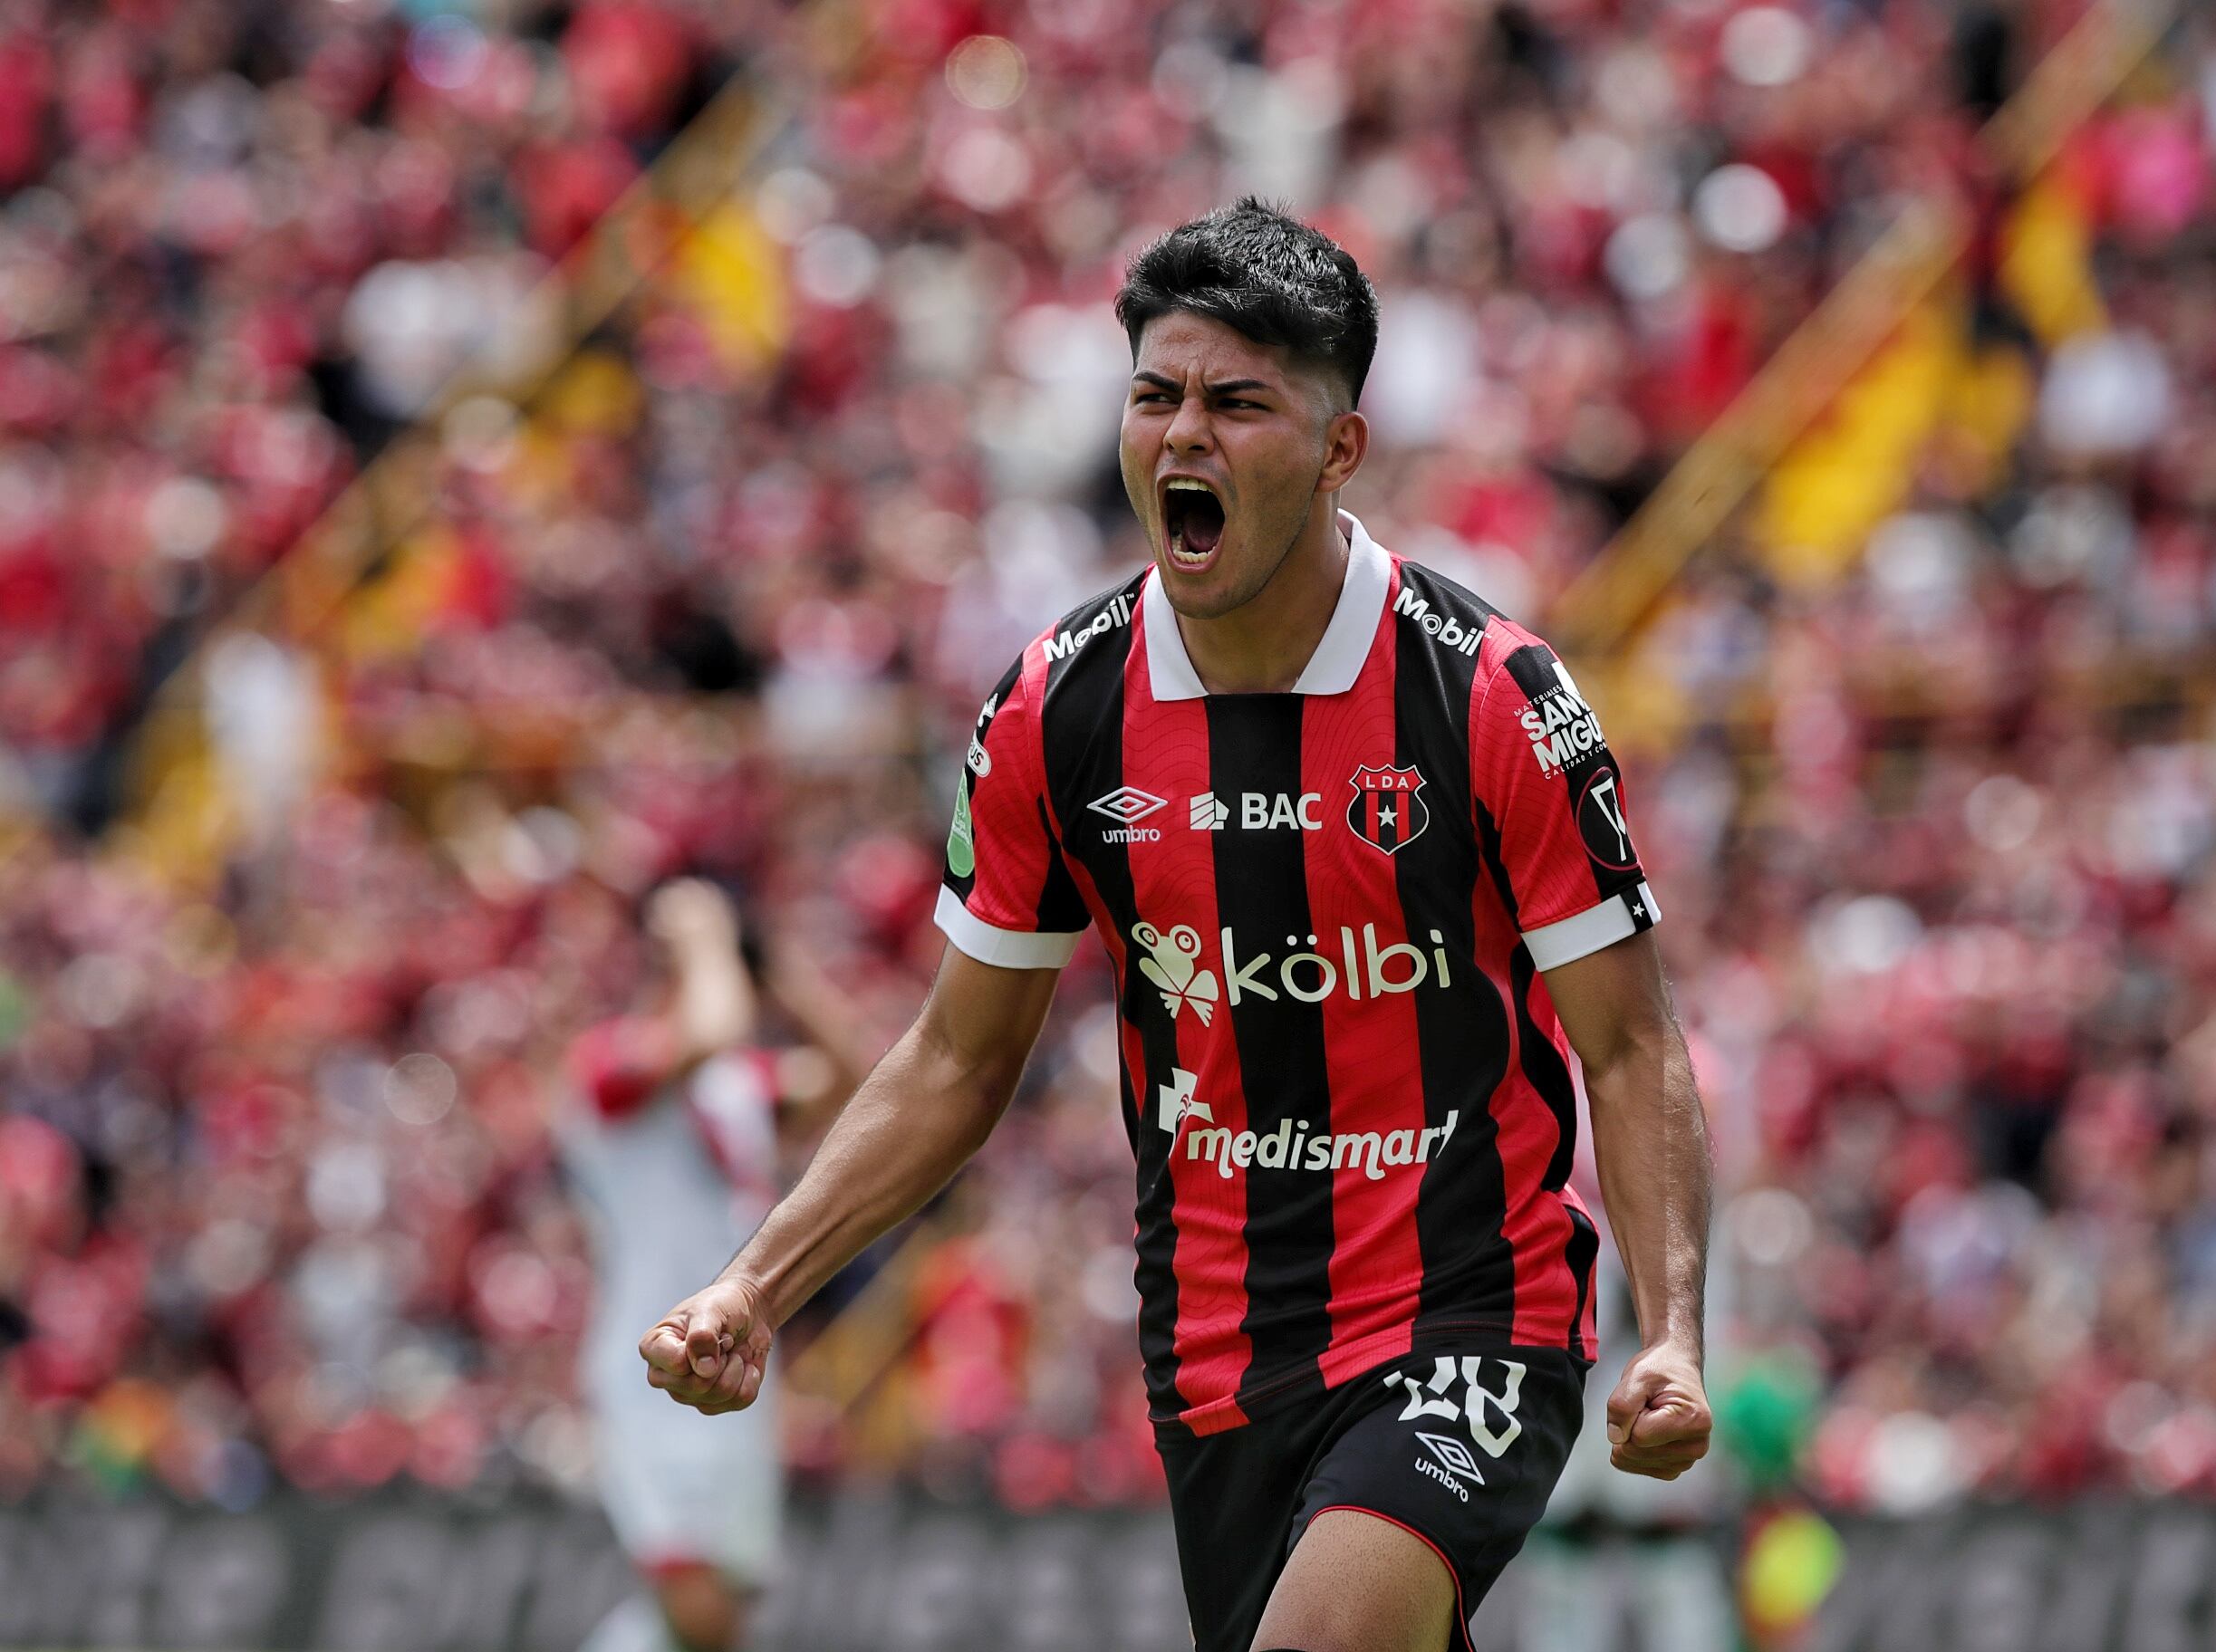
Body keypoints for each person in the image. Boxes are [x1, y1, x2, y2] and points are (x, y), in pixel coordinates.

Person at [638, 198, 1714, 1652]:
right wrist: (755, 1289)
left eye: (1238, 404)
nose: (1183, 435)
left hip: (1471, 1314)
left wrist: (1673, 1334)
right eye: (1156, 397)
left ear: (1340, 448)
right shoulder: (1057, 707)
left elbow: (1633, 1047)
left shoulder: (1487, 696)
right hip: (1216, 1351)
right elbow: (957, 1058)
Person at [563, 878, 861, 1652]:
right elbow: (712, 1027)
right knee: (696, 1602)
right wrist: (705, 937)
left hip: (737, 1350)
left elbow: (853, 1077)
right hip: (652, 1356)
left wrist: (778, 968)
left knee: (725, 1607)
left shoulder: (739, 1083)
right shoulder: (609, 1060)